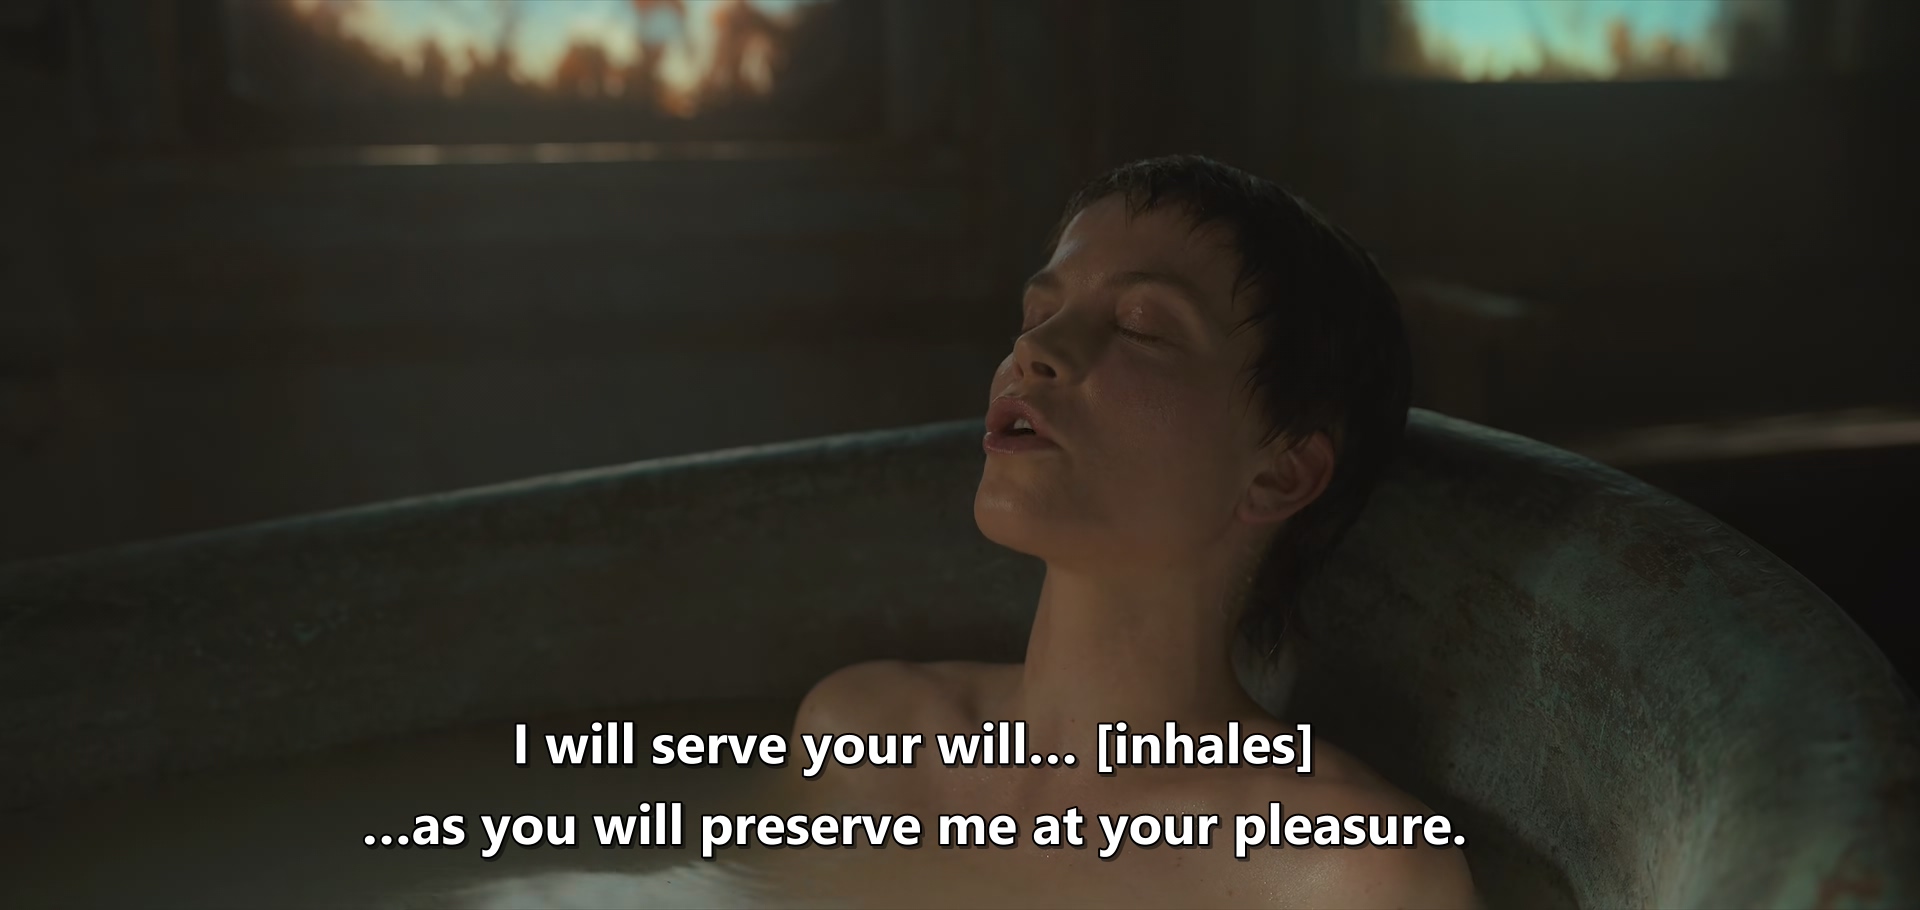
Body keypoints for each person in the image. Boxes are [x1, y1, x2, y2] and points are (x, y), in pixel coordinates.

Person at [791, 155, 1478, 909]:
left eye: (1140, 327)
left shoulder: (1343, 870)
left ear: (1279, 475)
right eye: (1036, 316)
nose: (1034, 351)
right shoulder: (864, 740)